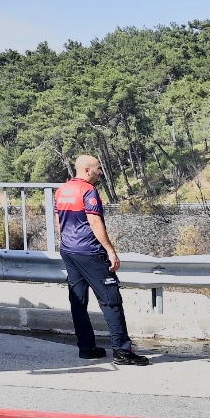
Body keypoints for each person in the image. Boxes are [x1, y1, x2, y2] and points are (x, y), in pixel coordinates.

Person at [56, 155, 149, 365]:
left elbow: (59, 221)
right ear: (87, 170)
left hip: (69, 251)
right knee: (111, 300)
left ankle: (87, 348)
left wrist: (68, 243)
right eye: (98, 169)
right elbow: (95, 221)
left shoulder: (62, 190)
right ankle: (123, 351)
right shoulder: (88, 191)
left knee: (78, 302)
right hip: (90, 252)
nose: (101, 172)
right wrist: (111, 251)